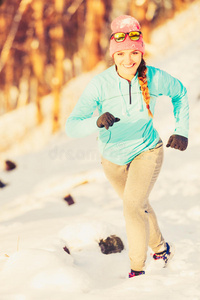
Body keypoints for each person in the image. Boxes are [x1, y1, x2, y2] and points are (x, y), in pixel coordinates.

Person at [65, 15, 189, 278]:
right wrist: (96, 123)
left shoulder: (154, 78)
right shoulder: (100, 84)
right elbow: (72, 125)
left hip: (147, 150)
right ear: (113, 55)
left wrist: (182, 130)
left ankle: (137, 269)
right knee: (139, 204)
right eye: (121, 53)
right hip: (112, 159)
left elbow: (180, 93)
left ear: (141, 53)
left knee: (132, 206)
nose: (128, 59)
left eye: (134, 52)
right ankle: (161, 248)